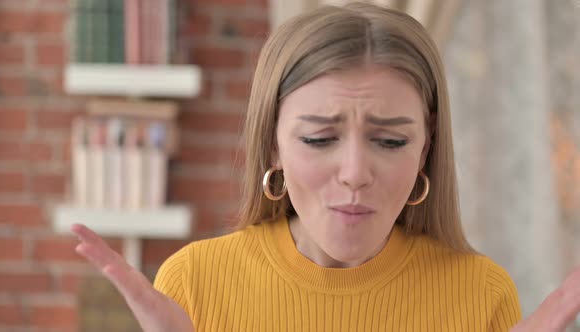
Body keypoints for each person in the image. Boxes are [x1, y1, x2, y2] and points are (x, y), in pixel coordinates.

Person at [72, 2, 580, 331]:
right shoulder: (195, 283)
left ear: (425, 148)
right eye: (319, 138)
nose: (355, 172)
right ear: (272, 146)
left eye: (390, 140)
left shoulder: (481, 296)